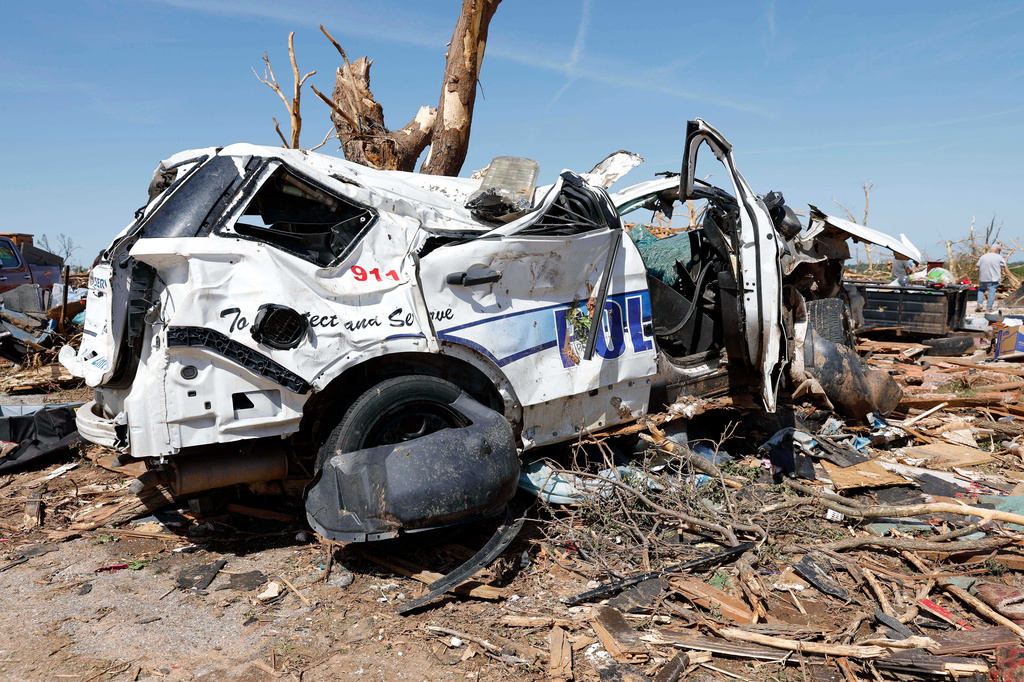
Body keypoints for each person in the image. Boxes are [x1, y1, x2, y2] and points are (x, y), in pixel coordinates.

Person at [977, 245, 1009, 311]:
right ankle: (989, 307)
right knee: (992, 292)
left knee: (981, 290)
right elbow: (1003, 267)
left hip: (983, 277)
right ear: (997, 250)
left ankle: (979, 304)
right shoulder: (999, 257)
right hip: (994, 278)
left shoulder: (983, 257)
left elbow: (978, 266)